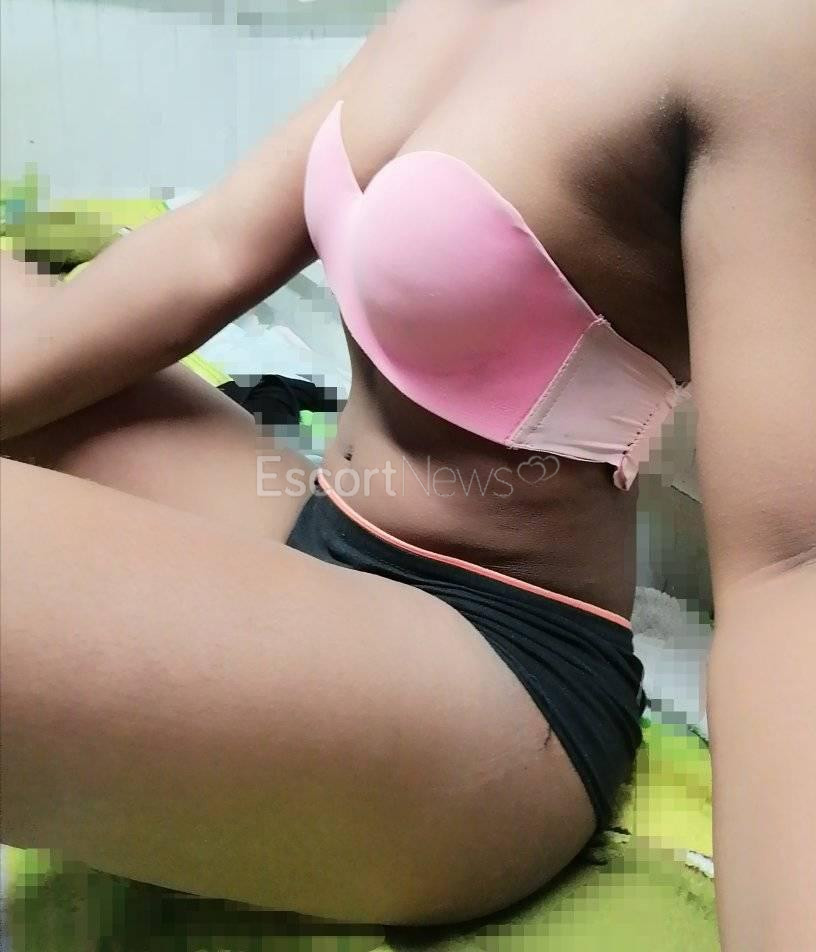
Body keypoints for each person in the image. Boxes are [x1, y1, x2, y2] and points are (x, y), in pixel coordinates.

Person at [0, 0, 813, 944]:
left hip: (497, 674)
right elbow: (215, 243)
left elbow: (787, 573)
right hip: (322, 528)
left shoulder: (756, 37)